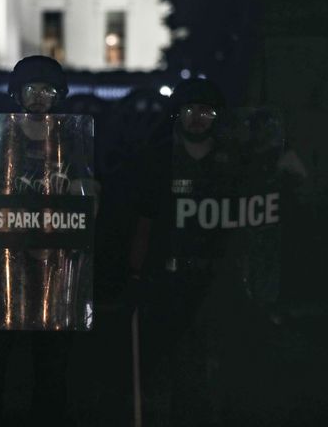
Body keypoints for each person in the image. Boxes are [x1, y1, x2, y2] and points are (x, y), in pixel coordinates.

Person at [0, 55, 95, 425]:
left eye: (47, 90)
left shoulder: (70, 140)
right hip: (6, 263)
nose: (39, 97)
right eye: (32, 89)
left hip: (54, 264)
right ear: (17, 94)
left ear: (59, 96)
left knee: (52, 361)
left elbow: (86, 195)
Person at [128, 77, 235, 426]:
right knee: (165, 358)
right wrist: (137, 271)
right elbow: (144, 220)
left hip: (212, 276)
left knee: (210, 359)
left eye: (206, 112)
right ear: (178, 114)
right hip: (167, 277)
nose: (198, 119)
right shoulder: (159, 158)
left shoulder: (231, 162)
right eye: (191, 110)